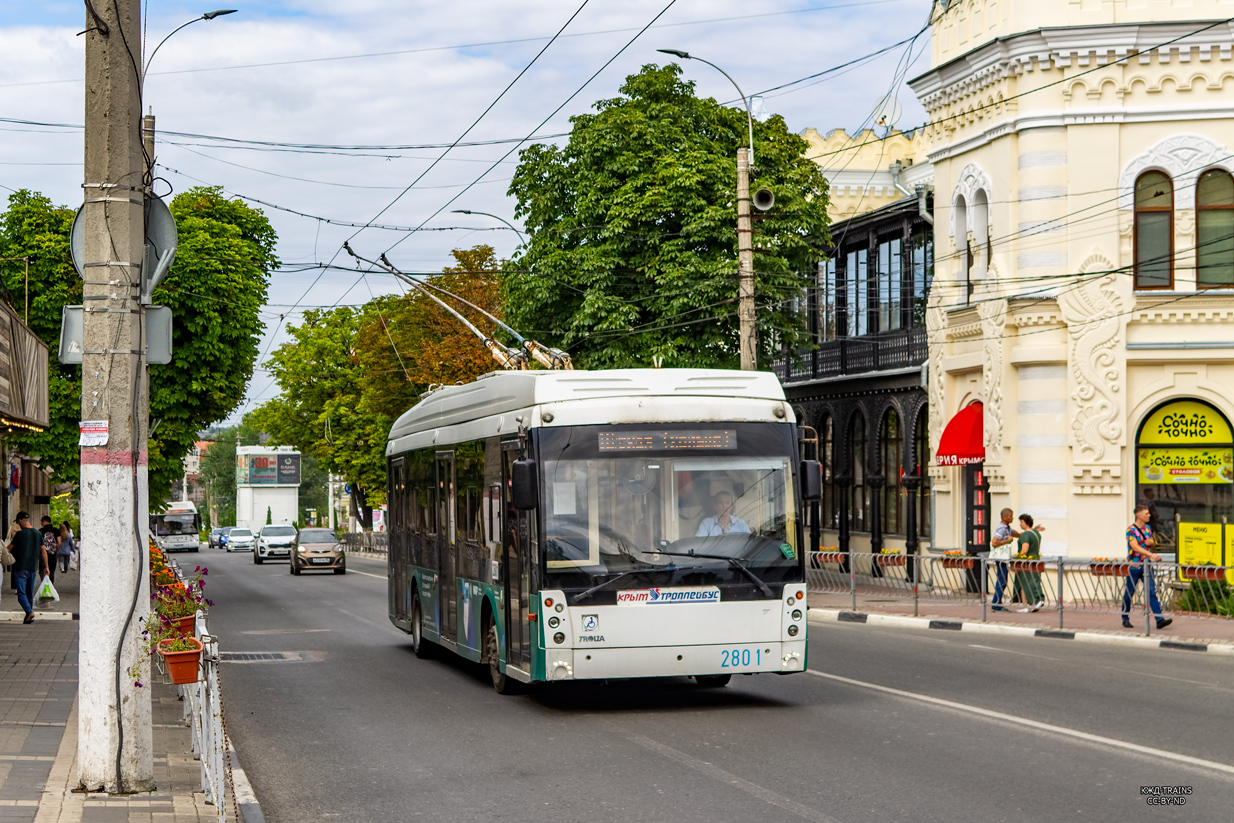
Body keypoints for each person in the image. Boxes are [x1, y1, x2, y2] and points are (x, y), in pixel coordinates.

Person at [1123, 503, 1172, 630]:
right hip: (1135, 565)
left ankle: (1159, 619)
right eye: (1146, 513)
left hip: (1147, 565)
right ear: (1138, 515)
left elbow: (1150, 542)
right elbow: (1134, 547)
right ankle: (1125, 618)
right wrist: (1151, 554)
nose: (1149, 515)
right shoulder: (1131, 530)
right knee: (1129, 593)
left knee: (1151, 592)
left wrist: (1152, 543)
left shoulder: (1147, 529)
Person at [8, 512, 47, 624]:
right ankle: (28, 615)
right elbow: (44, 551)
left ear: (20, 521)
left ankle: (29, 612)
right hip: (33, 568)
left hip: (20, 567)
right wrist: (46, 567)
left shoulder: (20, 534)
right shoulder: (38, 533)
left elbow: (9, 548)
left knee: (21, 593)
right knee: (29, 592)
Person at [1010, 513, 1045, 611]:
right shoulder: (1036, 534)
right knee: (1034, 581)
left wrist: (1017, 557)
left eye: (1021, 522)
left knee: (1024, 583)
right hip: (1035, 560)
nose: (1020, 524)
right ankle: (1034, 602)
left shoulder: (1026, 535)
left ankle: (1027, 605)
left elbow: (1025, 549)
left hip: (1025, 563)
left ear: (1025, 523)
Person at [39, 516, 59, 583]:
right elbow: (59, 542)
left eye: (41, 522)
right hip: (53, 555)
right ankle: (50, 586)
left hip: (43, 555)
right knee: (51, 572)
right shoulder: (56, 530)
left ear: (44, 521)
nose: (41, 523)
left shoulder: (40, 531)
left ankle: (44, 585)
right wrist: (56, 550)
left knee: (43, 571)